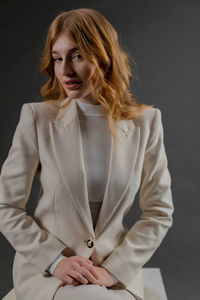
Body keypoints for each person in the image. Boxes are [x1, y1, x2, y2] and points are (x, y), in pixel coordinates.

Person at [0, 8, 174, 300]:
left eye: (77, 56)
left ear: (104, 57)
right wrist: (56, 260)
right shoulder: (38, 118)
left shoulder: (146, 122)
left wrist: (114, 270)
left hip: (114, 274)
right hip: (49, 274)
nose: (65, 70)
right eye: (58, 58)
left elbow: (159, 212)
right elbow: (6, 207)